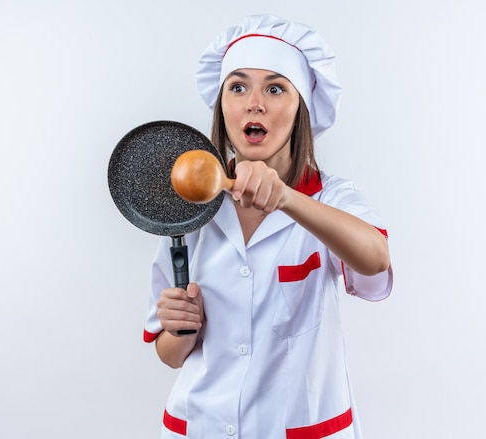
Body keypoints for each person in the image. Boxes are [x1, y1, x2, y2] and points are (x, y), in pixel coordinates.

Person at [143, 14, 393, 438]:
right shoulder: (189, 206)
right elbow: (170, 354)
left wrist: (287, 198)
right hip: (199, 425)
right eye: (237, 87)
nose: (253, 102)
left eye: (275, 88)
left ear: (301, 109)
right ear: (222, 105)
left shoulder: (329, 198)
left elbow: (375, 260)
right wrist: (179, 328)